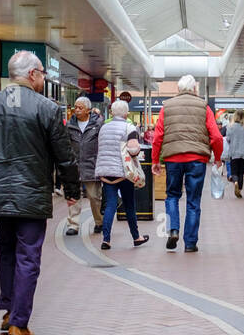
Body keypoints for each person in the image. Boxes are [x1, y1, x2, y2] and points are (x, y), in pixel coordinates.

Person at [0, 50, 79, 335]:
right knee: (28, 256)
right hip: (32, 196)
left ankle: (9, 310)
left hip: (1, 195)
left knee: (6, 251)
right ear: (32, 74)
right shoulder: (47, 109)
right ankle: (18, 323)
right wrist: (72, 191)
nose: (43, 78)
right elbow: (64, 156)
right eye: (42, 73)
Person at [150, 74, 223, 252]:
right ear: (195, 90)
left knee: (172, 195)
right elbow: (216, 136)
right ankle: (190, 243)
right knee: (193, 201)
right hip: (197, 159)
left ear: (178, 89)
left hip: (173, 158)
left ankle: (173, 228)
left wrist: (155, 160)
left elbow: (158, 136)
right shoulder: (204, 107)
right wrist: (218, 157)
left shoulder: (166, 107)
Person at [95, 99, 150, 249]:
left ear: (112, 112)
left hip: (106, 172)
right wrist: (137, 152)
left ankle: (106, 239)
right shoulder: (129, 128)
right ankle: (136, 236)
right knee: (129, 204)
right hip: (124, 172)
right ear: (126, 113)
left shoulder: (104, 127)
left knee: (110, 204)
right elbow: (133, 150)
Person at [65, 96, 103, 236]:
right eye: (76, 107)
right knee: (73, 196)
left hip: (92, 165)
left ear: (88, 110)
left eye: (80, 107)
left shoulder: (97, 124)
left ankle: (99, 222)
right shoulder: (69, 125)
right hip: (74, 166)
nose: (77, 110)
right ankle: (73, 225)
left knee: (94, 197)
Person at [225, 110, 244, 197]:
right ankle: (239, 189)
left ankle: (236, 182)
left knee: (234, 172)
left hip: (234, 153)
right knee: (241, 172)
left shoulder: (230, 127)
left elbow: (228, 139)